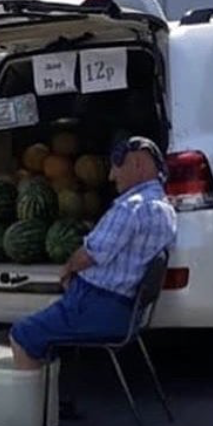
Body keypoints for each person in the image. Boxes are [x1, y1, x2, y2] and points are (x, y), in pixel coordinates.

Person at [10, 136, 178, 370]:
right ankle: (50, 403)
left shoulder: (132, 208)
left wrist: (67, 270)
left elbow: (89, 255)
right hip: (127, 312)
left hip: (99, 306)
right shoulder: (167, 210)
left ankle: (30, 407)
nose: (110, 176)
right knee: (45, 335)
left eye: (116, 167)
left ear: (137, 164)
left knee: (22, 335)